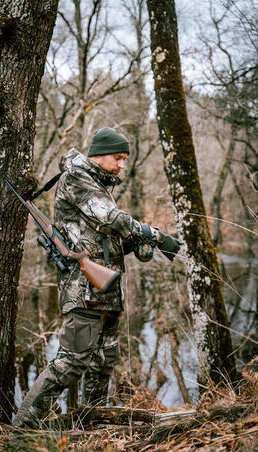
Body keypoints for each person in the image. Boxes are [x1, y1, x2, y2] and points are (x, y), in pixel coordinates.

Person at [13, 127, 180, 427]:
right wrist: (154, 235)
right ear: (99, 154)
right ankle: (20, 432)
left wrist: (135, 245)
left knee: (103, 365)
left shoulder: (100, 186)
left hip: (107, 292)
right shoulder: (77, 178)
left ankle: (89, 428)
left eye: (125, 159)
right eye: (118, 157)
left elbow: (104, 239)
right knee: (70, 363)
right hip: (83, 291)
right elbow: (111, 218)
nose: (122, 165)